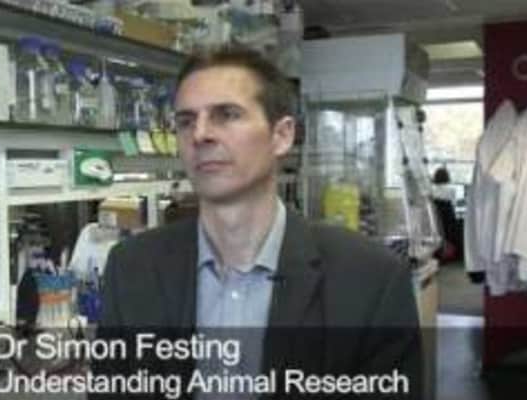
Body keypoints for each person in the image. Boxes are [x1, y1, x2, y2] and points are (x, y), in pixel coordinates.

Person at [96, 46, 422, 399]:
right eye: (186, 121)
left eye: (227, 114)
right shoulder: (131, 269)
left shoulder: (370, 280)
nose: (200, 134)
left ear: (281, 135)